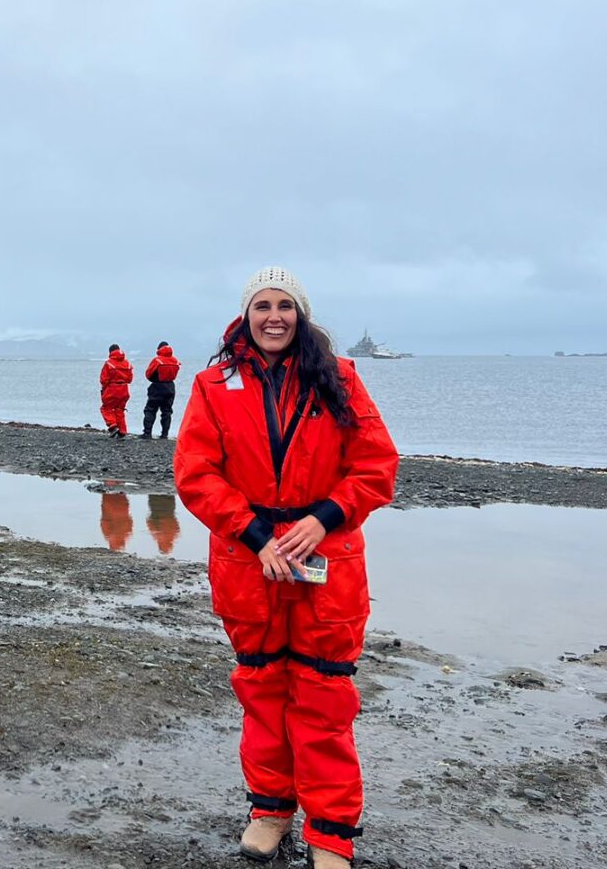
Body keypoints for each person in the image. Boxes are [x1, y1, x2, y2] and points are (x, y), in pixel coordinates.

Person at [174, 266, 397, 868]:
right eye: (262, 306)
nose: (274, 317)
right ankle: (270, 811)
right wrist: (254, 537)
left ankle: (330, 836)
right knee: (262, 691)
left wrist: (323, 519)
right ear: (244, 316)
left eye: (286, 306)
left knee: (324, 699)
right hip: (249, 564)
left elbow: (376, 465)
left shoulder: (339, 379)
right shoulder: (213, 383)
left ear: (302, 314)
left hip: (327, 559)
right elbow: (196, 473)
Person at [140, 340, 182, 439]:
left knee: (150, 410)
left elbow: (148, 374)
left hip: (157, 386)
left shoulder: (157, 360)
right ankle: (164, 434)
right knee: (167, 411)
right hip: (170, 387)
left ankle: (147, 433)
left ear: (159, 349)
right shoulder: (175, 361)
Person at [99, 343, 134, 437]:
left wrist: (104, 389)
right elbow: (130, 379)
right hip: (124, 389)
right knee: (119, 409)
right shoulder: (127, 364)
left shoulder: (109, 363)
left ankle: (113, 426)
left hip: (112, 388)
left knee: (106, 408)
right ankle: (122, 431)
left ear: (110, 352)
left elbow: (104, 380)